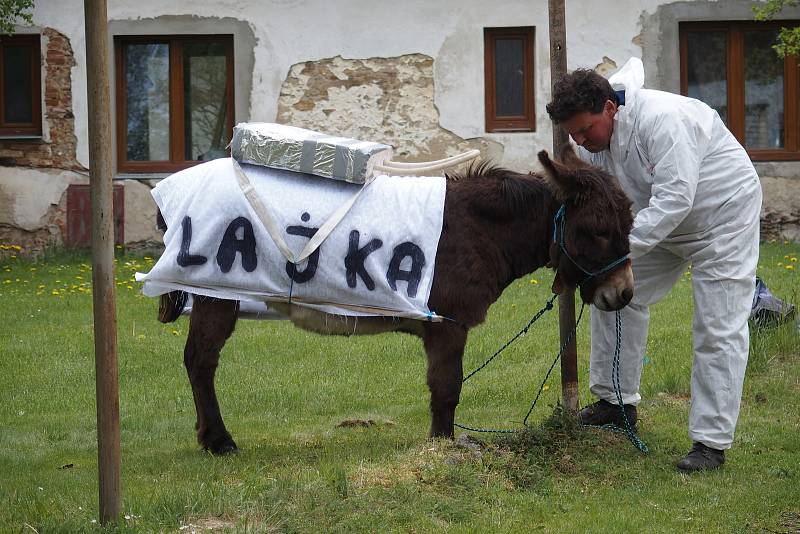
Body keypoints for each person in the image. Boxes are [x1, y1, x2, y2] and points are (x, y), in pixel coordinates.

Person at [545, 58, 762, 471]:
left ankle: (710, 443)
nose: (580, 140)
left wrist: (617, 251)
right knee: (614, 295)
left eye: (586, 129)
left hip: (722, 216)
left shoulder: (664, 119)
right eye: (573, 133)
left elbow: (676, 199)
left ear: (610, 108)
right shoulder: (589, 145)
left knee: (718, 325)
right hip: (653, 220)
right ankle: (615, 403)